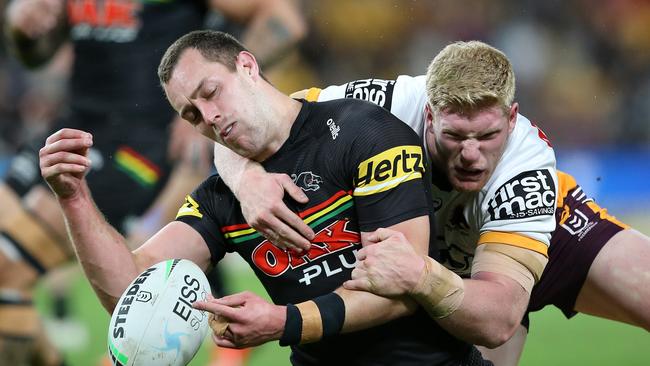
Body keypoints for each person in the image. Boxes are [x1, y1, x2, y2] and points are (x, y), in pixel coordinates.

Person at [40, 30, 491, 365]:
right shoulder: (221, 196)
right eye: (192, 114)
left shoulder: (364, 133)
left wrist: (284, 322)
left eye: (212, 92)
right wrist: (74, 196)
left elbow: (405, 285)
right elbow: (129, 289)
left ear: (248, 66)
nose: (210, 117)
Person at [211, 40, 650, 365]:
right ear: (429, 113)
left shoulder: (526, 170)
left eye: (489, 136)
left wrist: (419, 272)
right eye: (455, 136)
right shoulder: (383, 104)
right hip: (449, 274)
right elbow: (252, 115)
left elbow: (498, 318)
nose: (472, 154)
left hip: (540, 240)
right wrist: (246, 179)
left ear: (512, 117)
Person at [1, 1, 306, 365]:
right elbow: (37, 55)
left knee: (7, 272)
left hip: (139, 145)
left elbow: (283, 19)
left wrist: (212, 96)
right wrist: (23, 31)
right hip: (75, 124)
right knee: (6, 285)